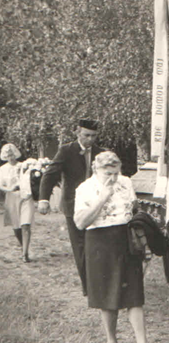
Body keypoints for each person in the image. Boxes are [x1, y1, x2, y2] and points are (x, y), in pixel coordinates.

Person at [74, 151, 162, 343]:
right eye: (108, 174)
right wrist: (102, 197)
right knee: (108, 296)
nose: (113, 178)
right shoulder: (85, 188)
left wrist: (143, 240)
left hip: (126, 240)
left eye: (116, 172)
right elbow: (80, 223)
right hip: (100, 242)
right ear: (96, 170)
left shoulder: (125, 182)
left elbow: (134, 209)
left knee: (134, 295)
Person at [39, 119, 104, 296]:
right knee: (80, 246)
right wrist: (43, 199)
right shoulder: (66, 151)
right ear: (77, 133)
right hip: (73, 206)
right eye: (86, 135)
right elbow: (50, 175)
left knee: (96, 244)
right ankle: (88, 287)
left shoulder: (101, 153)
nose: (90, 139)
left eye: (94, 136)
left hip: (96, 206)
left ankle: (99, 282)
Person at [0, 144, 36, 263]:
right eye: (8, 155)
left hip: (25, 196)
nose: (10, 157)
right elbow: (1, 185)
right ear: (5, 156)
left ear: (15, 154)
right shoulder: (3, 169)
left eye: (12, 154)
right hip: (12, 198)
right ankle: (23, 247)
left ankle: (25, 254)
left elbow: (31, 180)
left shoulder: (23, 166)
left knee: (25, 225)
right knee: (16, 227)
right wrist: (9, 189)